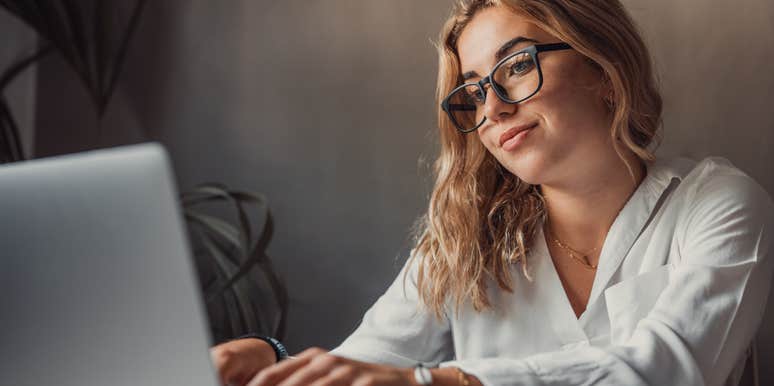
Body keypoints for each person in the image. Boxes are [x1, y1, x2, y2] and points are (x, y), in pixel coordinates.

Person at [210, 1, 774, 385]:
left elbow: (667, 369)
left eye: (516, 65)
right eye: (473, 93)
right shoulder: (463, 238)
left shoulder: (719, 204)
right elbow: (366, 366)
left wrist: (446, 381)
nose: (494, 109)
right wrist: (272, 361)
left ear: (603, 67)